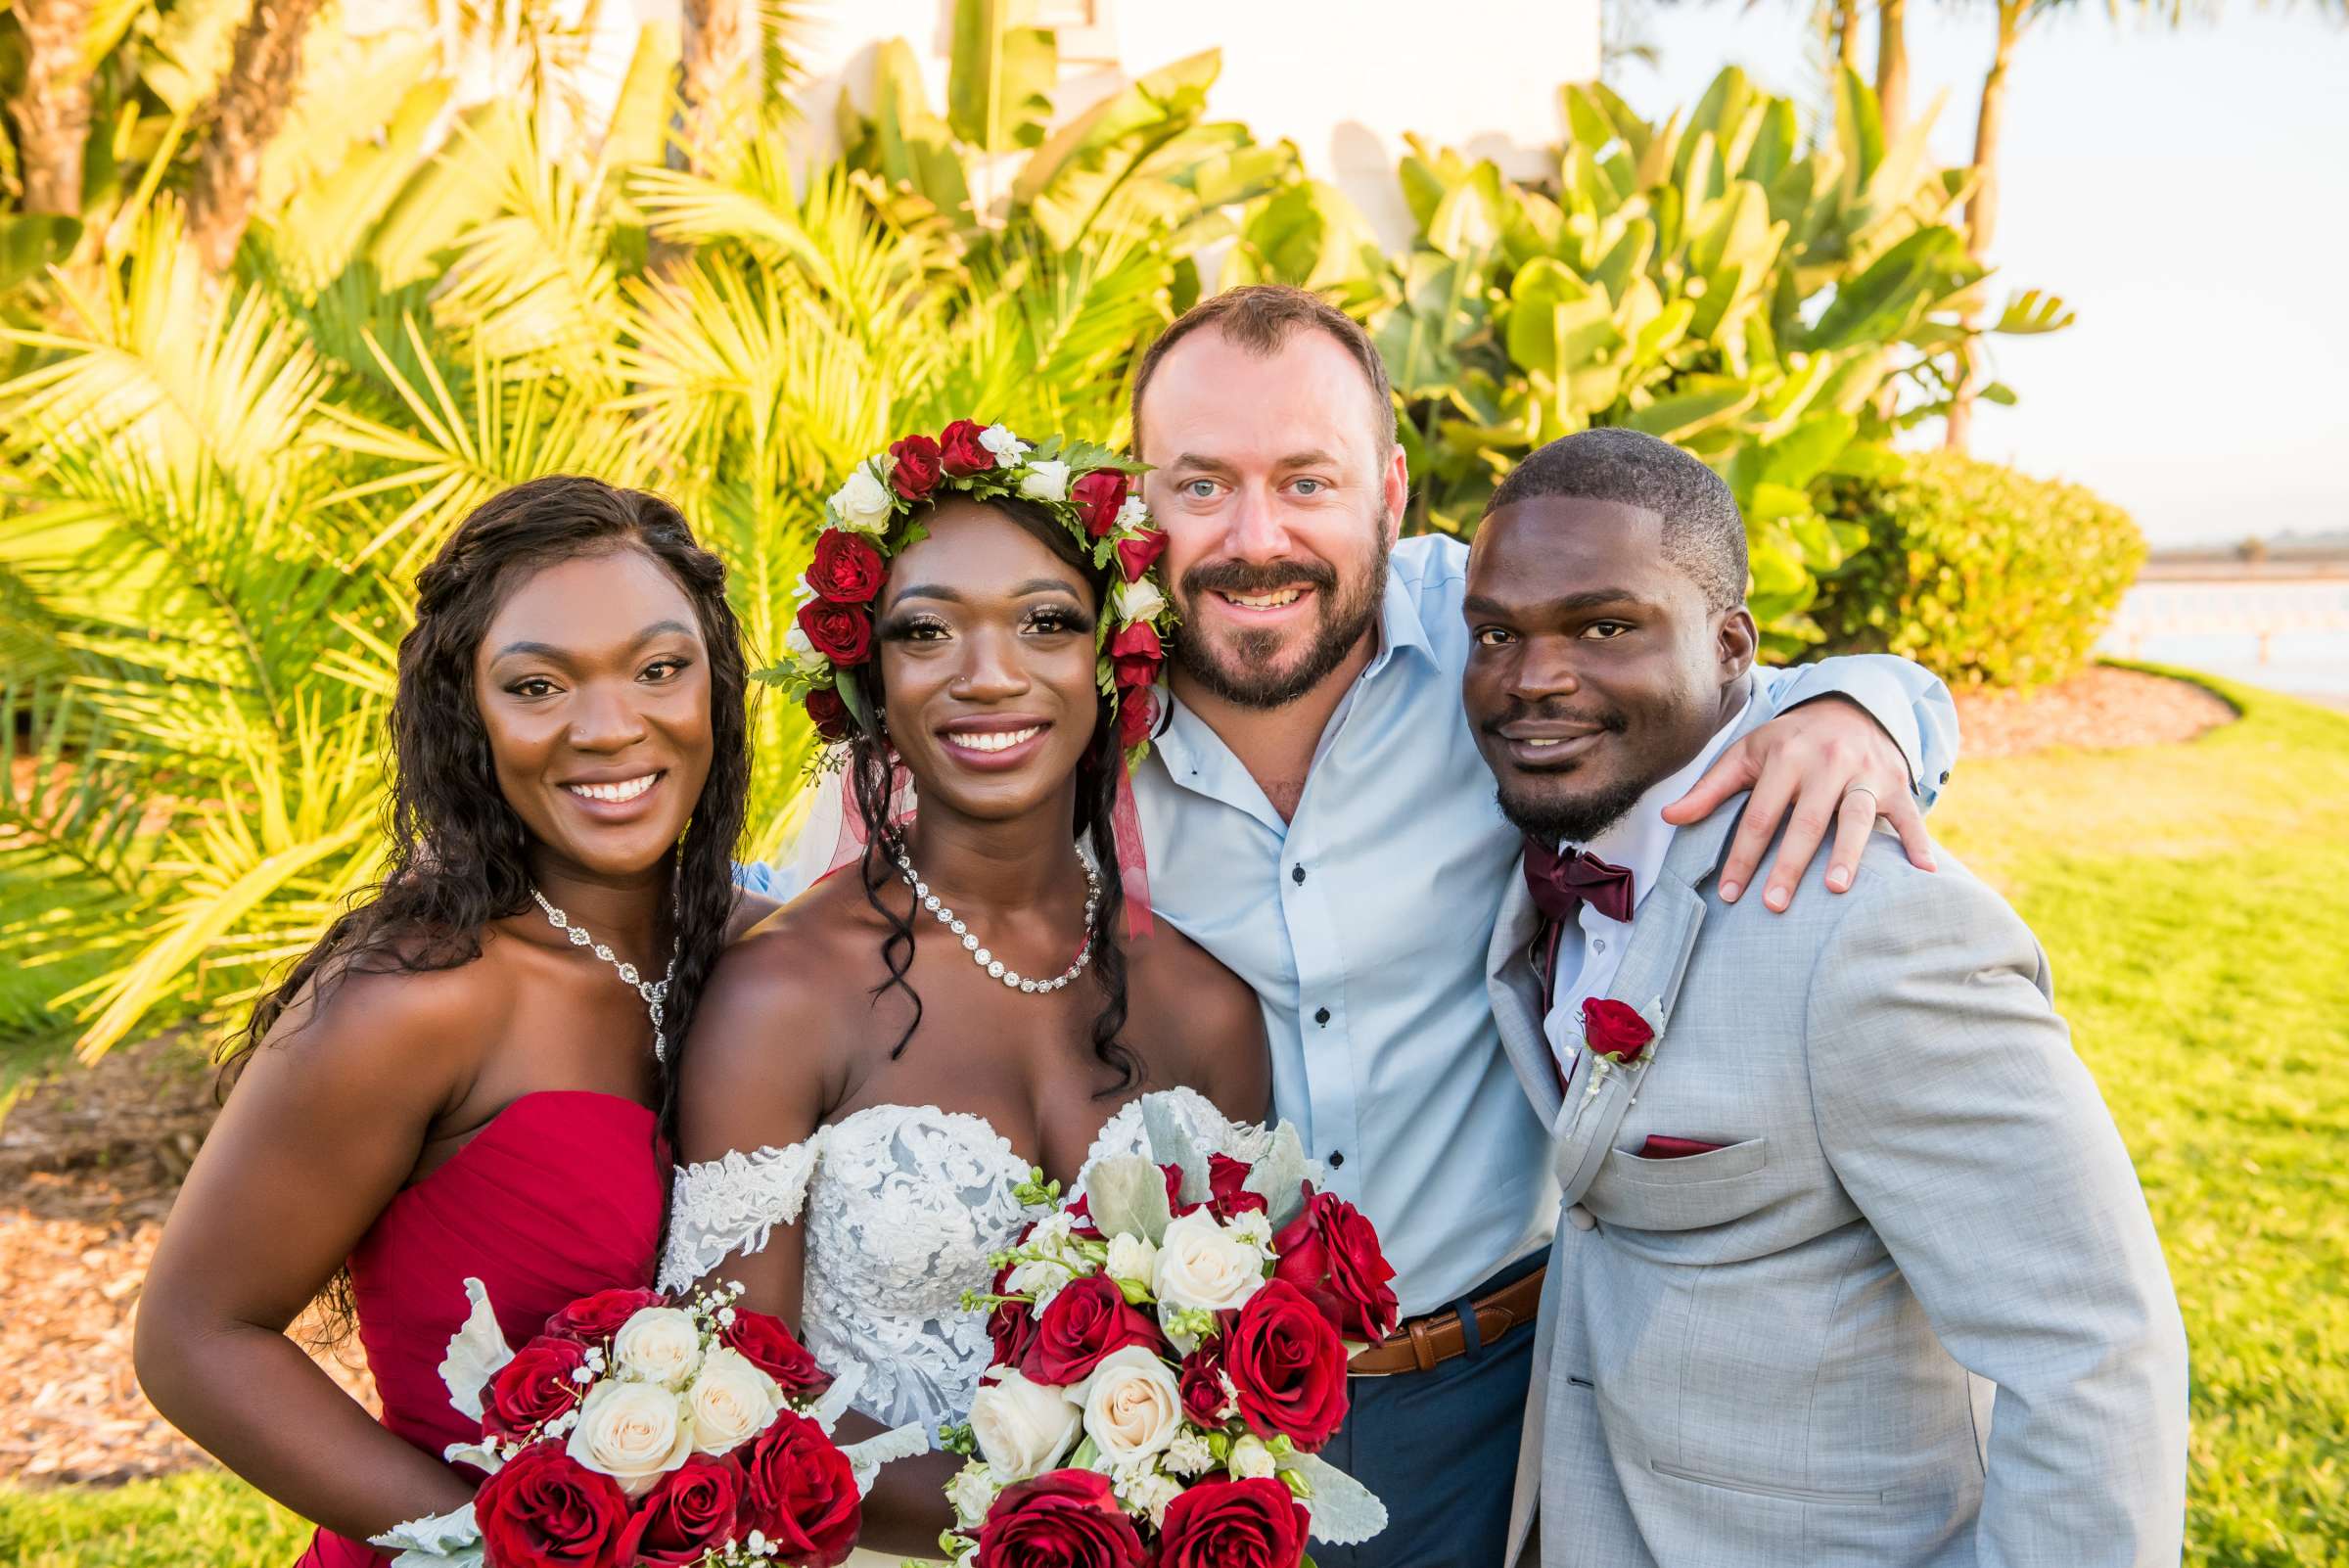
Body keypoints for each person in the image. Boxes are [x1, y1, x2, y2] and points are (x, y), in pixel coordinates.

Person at [1110, 285, 1960, 1567]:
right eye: (1200, 485)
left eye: (1307, 480)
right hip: (1165, 1407)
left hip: (1490, 1389)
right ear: (1135, 498)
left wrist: (1862, 710)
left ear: (1391, 490)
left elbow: (1746, 686)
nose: (1255, 535)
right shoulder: (1060, 696)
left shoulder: (1505, 634)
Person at [1470, 429, 2188, 1568]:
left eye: (1607, 626)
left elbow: (2093, 1356)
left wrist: (1871, 706)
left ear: (1732, 645)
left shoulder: (1877, 930)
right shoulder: (1544, 852)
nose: (1534, 676)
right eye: (1497, 635)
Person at [662, 444, 1275, 1563]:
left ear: (1113, 662)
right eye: (927, 630)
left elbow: (1229, 1365)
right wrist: (1037, 1530)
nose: (988, 674)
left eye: (1045, 622)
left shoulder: (1210, 1009)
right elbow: (725, 1393)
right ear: (867, 682)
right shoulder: (784, 995)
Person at [135, 478, 762, 1565]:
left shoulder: (773, 959)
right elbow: (194, 1339)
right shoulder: (417, 999)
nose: (612, 728)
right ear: (465, 713)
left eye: (661, 669)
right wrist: (493, 1547)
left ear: (717, 686)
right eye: (537, 685)